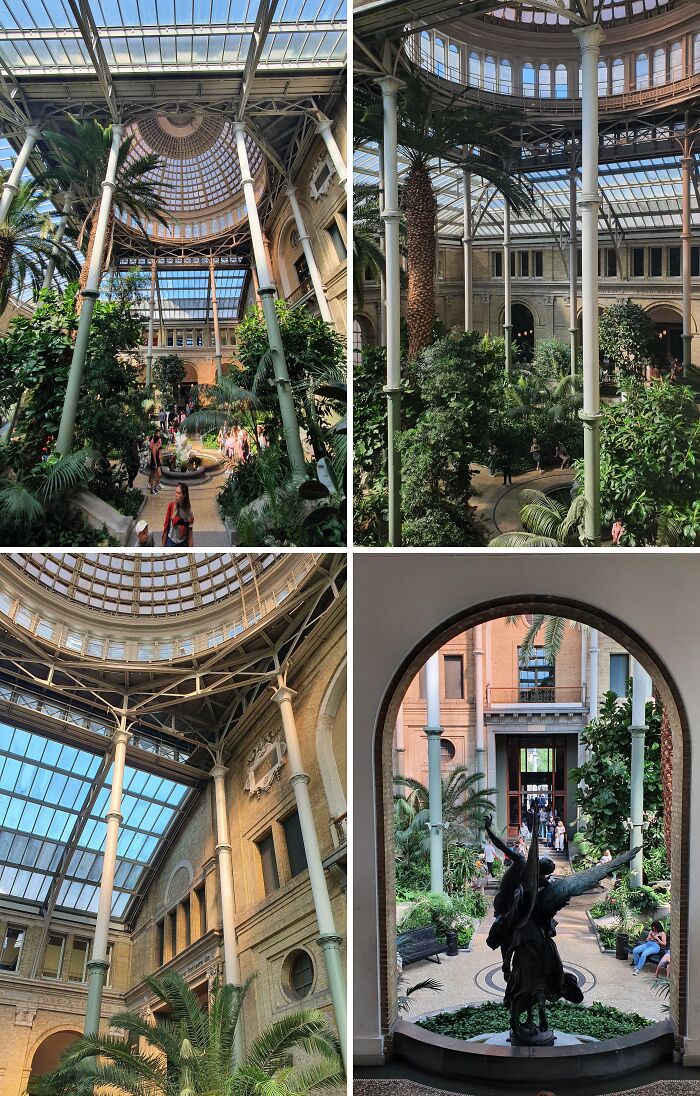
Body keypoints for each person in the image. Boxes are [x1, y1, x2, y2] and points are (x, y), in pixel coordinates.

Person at [162, 483, 194, 547]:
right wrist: (162, 546)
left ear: (184, 495)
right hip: (170, 542)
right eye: (176, 492)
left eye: (179, 493)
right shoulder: (171, 506)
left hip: (182, 543)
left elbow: (190, 533)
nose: (176, 495)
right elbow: (166, 525)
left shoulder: (189, 513)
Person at [148, 429, 162, 495]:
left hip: (157, 461)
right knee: (153, 476)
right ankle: (152, 489)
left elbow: (159, 452)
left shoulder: (157, 445)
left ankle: (155, 487)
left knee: (159, 475)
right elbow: (153, 457)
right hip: (154, 462)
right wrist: (156, 464)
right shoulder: (153, 446)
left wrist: (160, 459)